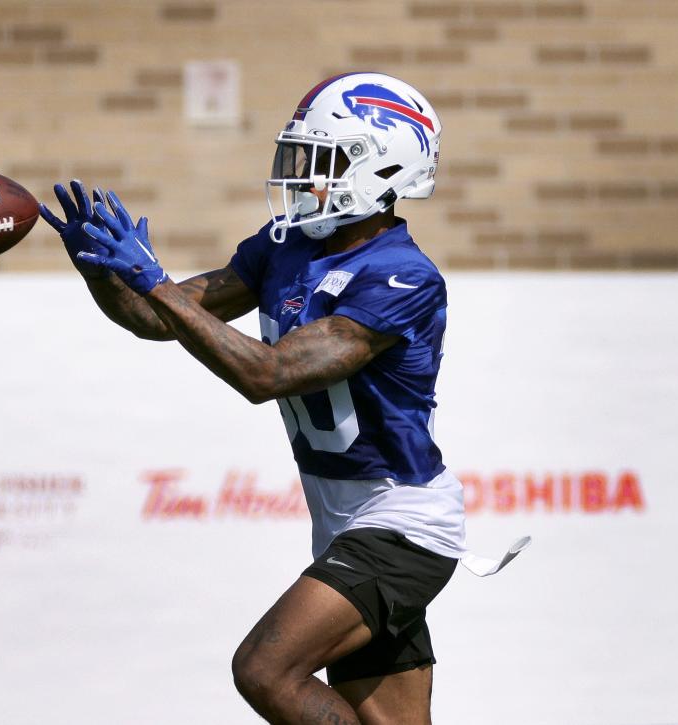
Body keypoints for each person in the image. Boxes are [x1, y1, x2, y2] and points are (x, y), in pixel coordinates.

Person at [39, 72, 526, 725]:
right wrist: (102, 272)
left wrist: (152, 280)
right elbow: (162, 318)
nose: (302, 177)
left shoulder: (403, 276)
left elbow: (265, 374)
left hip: (403, 526)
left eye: (321, 162)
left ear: (382, 170)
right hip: (345, 526)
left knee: (267, 668)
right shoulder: (286, 246)